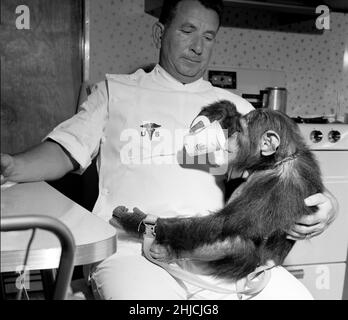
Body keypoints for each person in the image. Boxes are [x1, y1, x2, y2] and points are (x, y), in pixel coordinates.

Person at [0, 0, 337, 300]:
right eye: (188, 31)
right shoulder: (114, 91)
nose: (197, 47)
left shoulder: (237, 109)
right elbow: (64, 151)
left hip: (216, 251)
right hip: (132, 250)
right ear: (160, 32)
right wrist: (12, 166)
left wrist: (329, 205)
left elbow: (287, 167)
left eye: (208, 36)